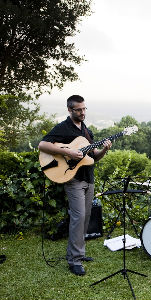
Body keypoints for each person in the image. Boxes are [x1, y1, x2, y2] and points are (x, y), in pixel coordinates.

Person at [38, 95, 112, 276]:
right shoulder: (63, 127)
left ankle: (78, 252)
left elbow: (93, 157)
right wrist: (69, 152)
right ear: (70, 110)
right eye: (79, 110)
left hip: (88, 178)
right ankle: (74, 260)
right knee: (78, 217)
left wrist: (103, 150)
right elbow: (42, 144)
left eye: (84, 109)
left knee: (86, 216)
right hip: (72, 179)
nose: (83, 112)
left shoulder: (86, 130)